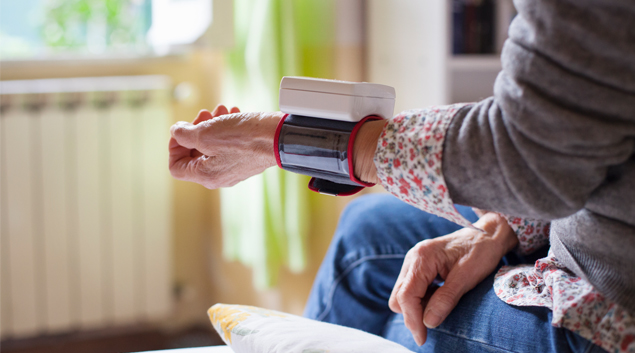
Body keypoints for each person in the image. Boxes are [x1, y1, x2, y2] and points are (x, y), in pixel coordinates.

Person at [168, 1, 635, 352]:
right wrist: (501, 225)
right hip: (588, 220)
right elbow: (581, 129)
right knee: (366, 229)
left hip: (614, 308)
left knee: (397, 320)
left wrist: (276, 141)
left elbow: (529, 152)